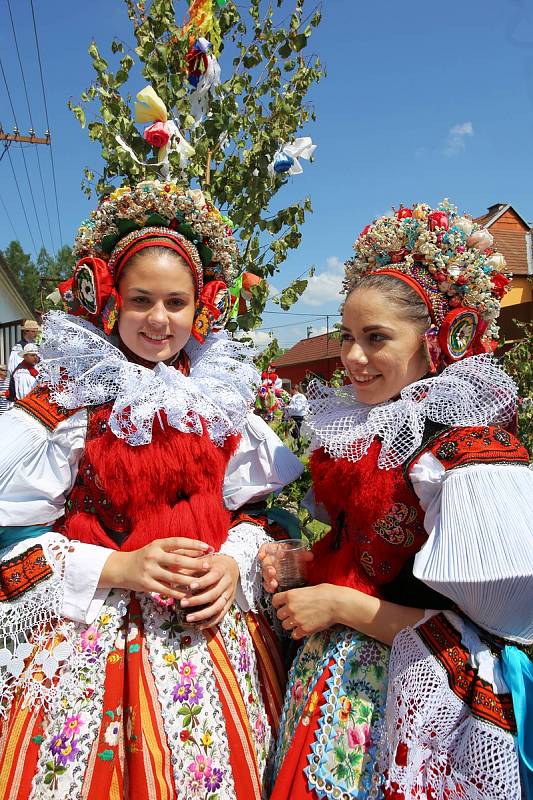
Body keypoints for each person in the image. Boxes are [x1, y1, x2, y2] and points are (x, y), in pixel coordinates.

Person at [0, 180, 303, 800]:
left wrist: (233, 563)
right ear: (110, 301)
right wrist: (121, 565)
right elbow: (16, 541)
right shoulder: (70, 401)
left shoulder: (221, 399)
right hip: (100, 629)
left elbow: (258, 515)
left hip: (214, 630)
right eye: (140, 301)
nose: (159, 320)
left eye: (176, 302)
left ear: (201, 306)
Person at [261, 200, 533, 800]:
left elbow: (492, 641)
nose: (353, 359)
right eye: (349, 336)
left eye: (376, 339)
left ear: (438, 342)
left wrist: (340, 605)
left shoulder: (465, 453)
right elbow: (367, 554)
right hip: (329, 680)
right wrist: (312, 564)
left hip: (411, 702)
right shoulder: (367, 430)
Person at [284, 385, 309, 450]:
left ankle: (300, 447)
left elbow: (298, 407)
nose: (290, 391)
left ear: (294, 389)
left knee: (296, 432)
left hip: (298, 417)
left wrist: (288, 407)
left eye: (291, 390)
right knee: (294, 433)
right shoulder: (295, 396)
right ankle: (299, 446)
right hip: (294, 416)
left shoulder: (299, 396)